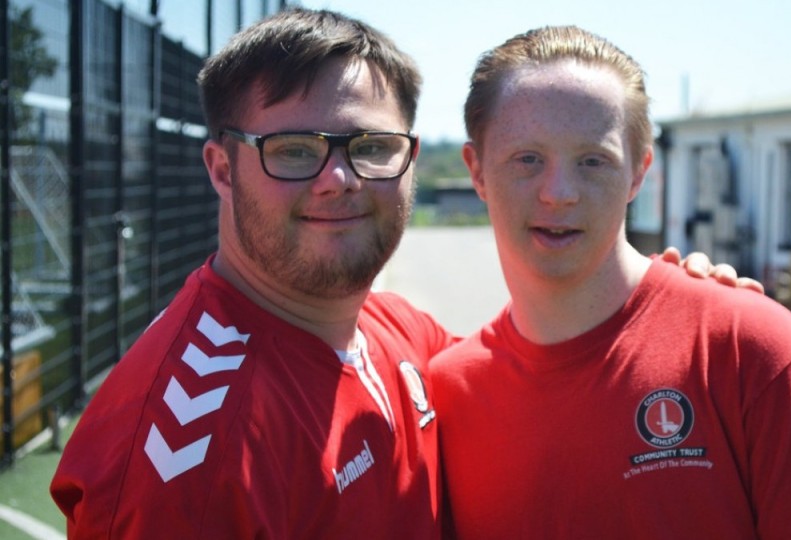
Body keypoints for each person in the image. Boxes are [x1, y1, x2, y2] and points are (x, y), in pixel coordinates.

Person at [48, 9, 752, 539]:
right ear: (223, 169)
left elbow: (534, 376)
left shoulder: (398, 333)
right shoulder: (187, 452)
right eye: (293, 150)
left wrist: (670, 303)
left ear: (411, 159)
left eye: (372, 146)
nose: (338, 179)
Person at [430, 26, 791, 540]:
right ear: (477, 171)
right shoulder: (447, 395)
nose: (559, 193)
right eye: (528, 159)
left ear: (638, 172)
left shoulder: (754, 350)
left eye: (593, 161)